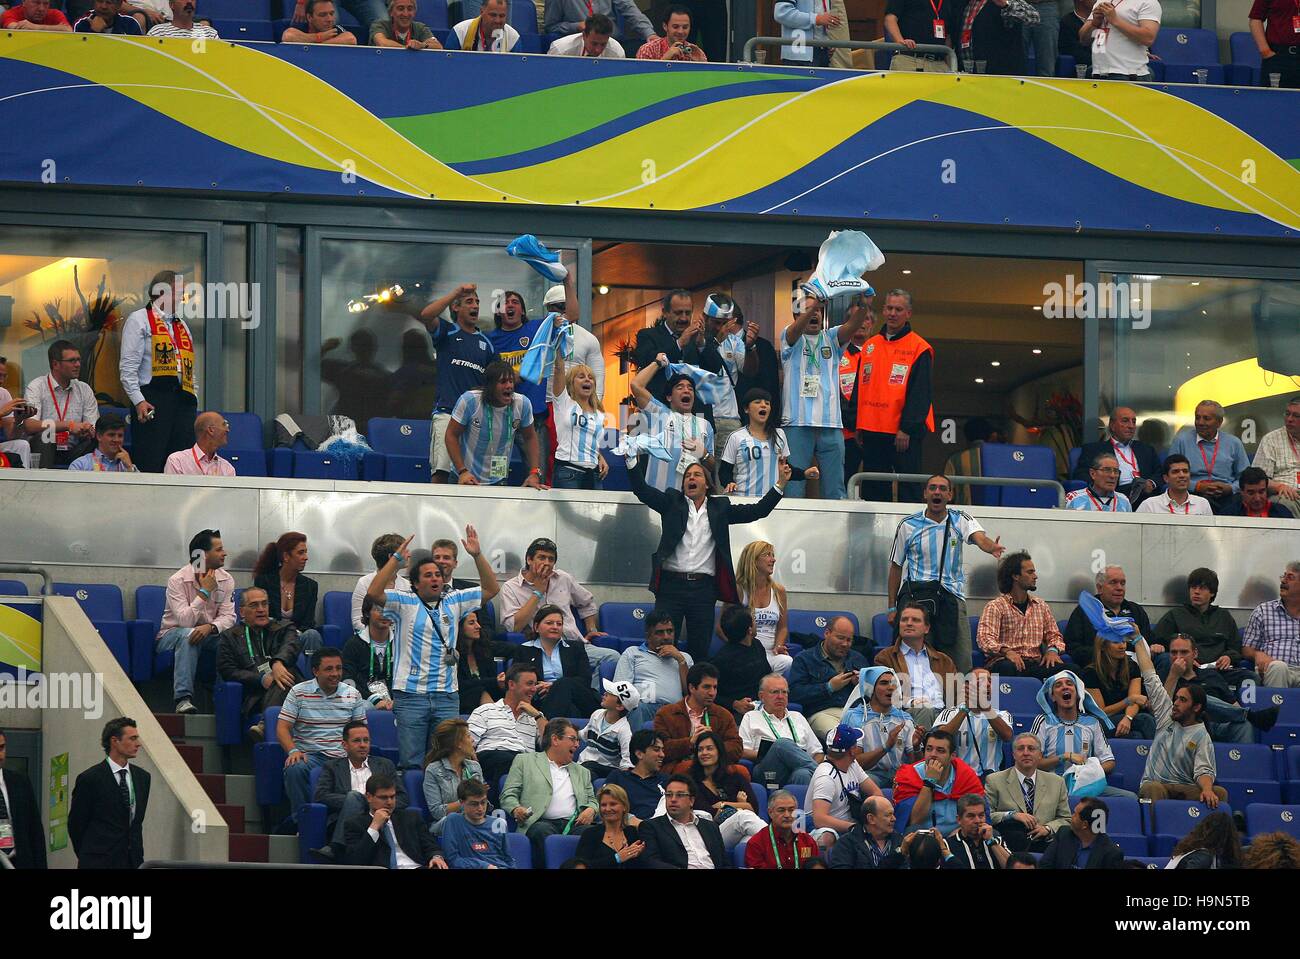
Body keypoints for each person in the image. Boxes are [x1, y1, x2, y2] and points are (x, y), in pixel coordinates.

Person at [628, 441, 788, 663]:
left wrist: (780, 484)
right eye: (687, 476)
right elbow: (642, 491)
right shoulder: (671, 502)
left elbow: (757, 511)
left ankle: (693, 693)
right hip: (670, 587)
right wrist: (630, 461)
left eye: (697, 475)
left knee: (699, 648)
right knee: (663, 645)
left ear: (707, 484)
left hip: (703, 590)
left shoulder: (720, 508)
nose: (691, 478)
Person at [367, 527, 498, 769]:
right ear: (415, 583)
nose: (435, 578)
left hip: (447, 695)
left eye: (437, 574)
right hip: (411, 696)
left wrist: (478, 555)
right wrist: (396, 560)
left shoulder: (455, 599)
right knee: (412, 763)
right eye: (427, 575)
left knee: (447, 762)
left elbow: (492, 589)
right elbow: (374, 592)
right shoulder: (404, 601)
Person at [889, 473, 1006, 672]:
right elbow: (896, 566)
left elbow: (980, 538)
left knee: (959, 663)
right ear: (925, 493)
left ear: (950, 495)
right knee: (913, 661)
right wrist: (892, 608)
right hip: (916, 600)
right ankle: (913, 700)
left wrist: (990, 547)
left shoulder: (960, 519)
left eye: (943, 488)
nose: (937, 492)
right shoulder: (907, 525)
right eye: (933, 488)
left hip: (952, 599)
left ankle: (956, 702)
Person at [781, 292, 872, 501]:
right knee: (794, 488)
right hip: (797, 423)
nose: (815, 315)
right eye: (808, 311)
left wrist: (864, 306)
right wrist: (813, 306)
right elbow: (795, 331)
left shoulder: (831, 337)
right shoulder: (789, 336)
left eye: (819, 311)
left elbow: (852, 325)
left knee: (835, 489)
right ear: (797, 315)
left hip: (831, 424)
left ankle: (835, 532)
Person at [855, 290, 935, 504]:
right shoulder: (870, 346)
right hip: (872, 431)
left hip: (902, 434)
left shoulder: (919, 347)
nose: (892, 313)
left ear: (908, 313)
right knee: (872, 490)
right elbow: (860, 388)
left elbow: (921, 393)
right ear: (883, 310)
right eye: (889, 308)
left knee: (909, 490)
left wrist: (907, 428)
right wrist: (858, 424)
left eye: (898, 309)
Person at [498, 537, 617, 678]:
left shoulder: (563, 579)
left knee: (612, 657)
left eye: (551, 559)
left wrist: (591, 628)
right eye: (541, 558)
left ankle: (588, 695)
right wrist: (538, 592)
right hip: (541, 647)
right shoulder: (511, 587)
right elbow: (514, 626)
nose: (546, 563)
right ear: (529, 559)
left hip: (574, 645)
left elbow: (587, 602)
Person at [1130, 636, 1228, 806]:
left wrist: (1206, 789)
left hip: (1186, 788)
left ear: (1196, 707)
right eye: (1176, 699)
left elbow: (1203, 769)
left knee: (1218, 792)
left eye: (1183, 700)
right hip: (1158, 784)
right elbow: (1149, 675)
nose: (1175, 703)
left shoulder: (1201, 734)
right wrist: (1137, 638)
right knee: (1153, 788)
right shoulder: (1165, 719)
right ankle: (1154, 831)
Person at [414, 282, 496, 482]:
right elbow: (426, 315)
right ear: (456, 307)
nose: (475, 305)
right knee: (441, 473)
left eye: (477, 302)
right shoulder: (447, 331)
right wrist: (456, 292)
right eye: (469, 301)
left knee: (471, 476)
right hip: (447, 413)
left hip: (474, 420)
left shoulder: (487, 344)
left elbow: (495, 381)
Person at [279, 648, 367, 823]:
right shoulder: (298, 692)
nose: (335, 674)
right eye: (329, 669)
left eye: (339, 668)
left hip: (342, 758)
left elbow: (360, 731)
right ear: (315, 671)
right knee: (294, 768)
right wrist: (293, 751)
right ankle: (303, 822)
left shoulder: (353, 694)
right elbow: (282, 727)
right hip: (310, 756)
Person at [157, 528, 236, 715]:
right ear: (201, 555)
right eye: (219, 549)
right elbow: (185, 621)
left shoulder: (226, 579)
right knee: (189, 634)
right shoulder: (177, 580)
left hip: (208, 634)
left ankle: (222, 698)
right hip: (171, 637)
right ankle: (183, 699)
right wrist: (204, 592)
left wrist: (210, 627)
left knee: (231, 640)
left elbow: (229, 617)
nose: (224, 553)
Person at [501, 717, 598, 863]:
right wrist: (516, 809)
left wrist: (591, 809)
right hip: (540, 822)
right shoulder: (524, 761)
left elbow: (592, 800)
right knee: (542, 831)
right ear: (555, 739)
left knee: (592, 832)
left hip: (573, 824)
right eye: (573, 739)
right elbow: (508, 794)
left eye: (578, 740)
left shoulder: (582, 772)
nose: (577, 745)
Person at [1030, 670, 1134, 798]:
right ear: (1052, 697)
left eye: (1069, 683)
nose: (1065, 687)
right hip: (1051, 787)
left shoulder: (1092, 723)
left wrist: (1088, 772)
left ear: (1078, 693)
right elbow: (1032, 762)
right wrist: (1065, 756)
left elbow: (1109, 761)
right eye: (1058, 685)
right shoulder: (1044, 721)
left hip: (1086, 787)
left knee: (1129, 798)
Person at [216, 588, 304, 739]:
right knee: (287, 677)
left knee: (285, 673)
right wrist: (261, 679)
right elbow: (228, 671)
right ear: (242, 611)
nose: (261, 610)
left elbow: (291, 646)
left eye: (264, 604)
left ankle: (265, 723)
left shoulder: (284, 628)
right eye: (254, 605)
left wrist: (277, 663)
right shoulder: (229, 637)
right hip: (255, 696)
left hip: (289, 691)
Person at [1162, 634, 1276, 745]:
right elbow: (1159, 709)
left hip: (1218, 724)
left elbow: (1233, 704)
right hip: (1184, 726)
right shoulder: (1164, 677)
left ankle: (1245, 762)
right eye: (1173, 652)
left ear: (1195, 653)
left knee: (1243, 725)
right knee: (1196, 695)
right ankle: (1249, 715)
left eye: (1184, 652)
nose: (1178, 657)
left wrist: (1238, 715)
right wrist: (1174, 675)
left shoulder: (1210, 675)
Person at [312, 720, 405, 856]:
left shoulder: (385, 765)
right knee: (353, 796)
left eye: (366, 740)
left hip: (380, 817)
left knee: (355, 797)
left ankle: (335, 847)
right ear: (345, 745)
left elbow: (402, 797)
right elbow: (321, 796)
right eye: (356, 741)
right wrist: (358, 800)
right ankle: (338, 846)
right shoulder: (332, 767)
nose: (362, 745)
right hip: (346, 819)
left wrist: (376, 804)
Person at [68, 718, 151, 869]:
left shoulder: (143, 778)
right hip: (98, 862)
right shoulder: (90, 778)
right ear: (115, 741)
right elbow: (76, 824)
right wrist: (91, 854)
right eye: (132, 738)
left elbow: (135, 823)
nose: (138, 743)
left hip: (133, 861)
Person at [447, 361, 543, 488]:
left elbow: (530, 437)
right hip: (465, 477)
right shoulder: (470, 400)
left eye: (511, 381)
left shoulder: (523, 404)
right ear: (490, 385)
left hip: (498, 479)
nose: (509, 386)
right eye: (503, 382)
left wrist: (534, 472)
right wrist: (462, 471)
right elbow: (451, 435)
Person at [631, 289, 723, 423]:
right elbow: (647, 361)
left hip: (698, 417)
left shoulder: (700, 336)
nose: (684, 318)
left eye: (688, 313)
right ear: (665, 312)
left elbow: (716, 368)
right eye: (678, 313)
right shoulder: (648, 335)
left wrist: (702, 344)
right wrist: (679, 343)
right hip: (661, 416)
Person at [628, 355, 716, 494]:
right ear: (669, 397)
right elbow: (636, 385)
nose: (686, 390)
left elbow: (711, 466)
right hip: (658, 495)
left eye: (690, 388)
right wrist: (657, 363)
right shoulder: (658, 413)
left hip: (688, 499)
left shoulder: (705, 425)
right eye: (680, 387)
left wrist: (703, 454)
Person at [977, 551, 1067, 679]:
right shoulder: (996, 606)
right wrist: (1007, 652)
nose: (1035, 576)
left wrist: (1052, 651)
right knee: (1007, 668)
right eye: (1030, 572)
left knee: (1071, 670)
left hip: (1035, 664)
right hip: (1007, 662)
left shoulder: (1041, 606)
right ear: (1015, 576)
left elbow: (1055, 635)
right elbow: (985, 639)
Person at [655, 662, 746, 776]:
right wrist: (691, 742)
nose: (712, 693)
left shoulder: (723, 715)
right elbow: (661, 749)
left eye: (715, 687)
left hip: (715, 766)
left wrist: (712, 749)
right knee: (687, 768)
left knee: (742, 772)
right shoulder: (666, 713)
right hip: (681, 766)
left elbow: (736, 748)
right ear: (692, 688)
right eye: (707, 687)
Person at [721, 389, 815, 500]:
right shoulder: (736, 437)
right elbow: (724, 471)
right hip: (744, 501)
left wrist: (804, 473)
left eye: (767, 403)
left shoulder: (779, 435)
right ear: (746, 409)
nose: (763, 405)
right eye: (757, 402)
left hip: (773, 502)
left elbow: (785, 468)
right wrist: (729, 483)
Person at [788, 614, 871, 739]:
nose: (845, 644)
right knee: (842, 737)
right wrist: (829, 687)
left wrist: (863, 685)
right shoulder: (804, 659)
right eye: (840, 638)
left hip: (857, 712)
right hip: (822, 713)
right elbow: (795, 694)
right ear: (827, 633)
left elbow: (874, 694)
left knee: (874, 735)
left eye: (849, 640)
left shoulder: (858, 658)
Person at [985, 733, 1071, 852]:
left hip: (1046, 843)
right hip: (1011, 843)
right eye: (1020, 749)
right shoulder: (995, 780)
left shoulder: (1057, 782)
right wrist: (1011, 815)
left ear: (1040, 755)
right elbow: (987, 816)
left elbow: (1066, 819)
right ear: (1013, 754)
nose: (1026, 753)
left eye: (1031, 749)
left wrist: (1047, 828)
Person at [874, 603, 956, 728]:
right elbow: (883, 694)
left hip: (943, 714)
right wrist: (911, 702)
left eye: (915, 620)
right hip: (905, 715)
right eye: (904, 620)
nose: (909, 623)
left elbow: (956, 695)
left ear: (926, 628)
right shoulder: (885, 658)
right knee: (926, 710)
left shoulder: (944, 660)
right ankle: (922, 747)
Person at [341, 773, 446, 868]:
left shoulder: (411, 817)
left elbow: (430, 845)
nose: (390, 802)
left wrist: (436, 856)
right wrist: (374, 827)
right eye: (383, 797)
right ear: (369, 797)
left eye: (392, 797)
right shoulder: (354, 824)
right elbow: (356, 861)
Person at [513, 604, 599, 718]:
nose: (555, 627)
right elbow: (517, 679)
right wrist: (539, 686)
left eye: (559, 624)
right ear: (536, 627)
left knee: (563, 684)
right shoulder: (524, 650)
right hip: (541, 699)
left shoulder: (576, 648)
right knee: (571, 711)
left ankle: (546, 726)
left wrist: (554, 686)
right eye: (549, 623)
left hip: (578, 697)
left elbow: (585, 679)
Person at [893, 729, 985, 835]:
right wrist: (929, 782)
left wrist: (959, 834)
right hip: (925, 838)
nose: (933, 754)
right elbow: (913, 822)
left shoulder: (965, 776)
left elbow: (979, 817)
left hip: (959, 836)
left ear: (952, 756)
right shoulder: (910, 776)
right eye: (929, 749)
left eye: (940, 750)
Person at [1065, 565, 1159, 667]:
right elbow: (1073, 647)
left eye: (1122, 583)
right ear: (1099, 588)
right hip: (1098, 666)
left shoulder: (1136, 610)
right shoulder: (1084, 611)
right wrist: (1107, 655)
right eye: (1113, 583)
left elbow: (1149, 640)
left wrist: (1156, 646)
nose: (1119, 588)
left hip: (1136, 666)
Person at [739, 673, 823, 788]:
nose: (780, 696)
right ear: (761, 696)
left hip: (797, 769)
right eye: (775, 692)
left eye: (784, 692)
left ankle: (793, 805)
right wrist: (773, 752)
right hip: (768, 771)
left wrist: (792, 756)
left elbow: (817, 752)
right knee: (782, 744)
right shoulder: (751, 717)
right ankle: (822, 774)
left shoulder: (797, 716)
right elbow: (742, 751)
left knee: (803, 774)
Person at [468, 663, 546, 787]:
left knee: (525, 764)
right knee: (511, 762)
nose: (534, 689)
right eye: (529, 683)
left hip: (523, 763)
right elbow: (467, 743)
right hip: (492, 757)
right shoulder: (485, 710)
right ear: (511, 684)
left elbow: (551, 744)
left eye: (535, 684)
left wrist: (537, 716)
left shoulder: (536, 717)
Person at [24, 339, 97, 468]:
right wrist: (69, 425)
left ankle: (87, 486)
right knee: (44, 437)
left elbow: (94, 426)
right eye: (72, 361)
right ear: (55, 364)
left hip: (75, 448)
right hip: (45, 447)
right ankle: (43, 485)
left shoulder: (84, 389)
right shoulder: (37, 387)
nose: (78, 364)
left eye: (79, 360)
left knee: (99, 440)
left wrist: (88, 429)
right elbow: (30, 425)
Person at [613, 611, 693, 728]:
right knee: (637, 708)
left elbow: (690, 693)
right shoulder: (633, 652)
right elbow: (620, 688)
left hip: (674, 710)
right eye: (659, 633)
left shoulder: (685, 658)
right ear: (648, 635)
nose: (666, 637)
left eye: (670, 631)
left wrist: (680, 661)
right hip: (643, 708)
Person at [1168, 400, 1250, 514]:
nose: (1200, 422)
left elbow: (1245, 478)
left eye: (1206, 418)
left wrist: (1230, 488)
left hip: (1228, 497)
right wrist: (1197, 486)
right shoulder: (1181, 441)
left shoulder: (1233, 443)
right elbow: (1171, 475)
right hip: (1192, 494)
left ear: (1219, 422)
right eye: (1197, 417)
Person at [844, 667, 920, 789]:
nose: (891, 687)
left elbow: (915, 765)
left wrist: (916, 748)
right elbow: (854, 762)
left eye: (894, 683)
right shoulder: (856, 718)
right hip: (869, 775)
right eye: (884, 683)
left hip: (900, 775)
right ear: (871, 689)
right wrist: (886, 747)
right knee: (866, 782)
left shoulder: (905, 718)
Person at [687, 730, 764, 850]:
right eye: (700, 749)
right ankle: (779, 843)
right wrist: (741, 804)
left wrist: (723, 804)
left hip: (735, 833)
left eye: (709, 748)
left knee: (749, 842)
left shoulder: (736, 778)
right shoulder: (692, 783)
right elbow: (710, 814)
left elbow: (754, 808)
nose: (704, 753)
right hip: (710, 836)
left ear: (719, 751)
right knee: (743, 816)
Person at [549, 344, 609, 490]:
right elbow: (558, 370)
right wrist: (558, 344)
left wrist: (600, 457)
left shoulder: (599, 412)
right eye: (581, 377)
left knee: (595, 513)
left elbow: (590, 441)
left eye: (590, 377)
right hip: (568, 472)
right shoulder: (563, 402)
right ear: (571, 383)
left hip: (594, 474)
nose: (587, 380)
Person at [933, 668, 1014, 778]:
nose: (988, 684)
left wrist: (986, 708)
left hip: (990, 781)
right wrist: (966, 708)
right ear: (967, 686)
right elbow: (940, 740)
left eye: (990, 681)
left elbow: (1007, 736)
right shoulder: (950, 713)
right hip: (957, 779)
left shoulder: (1002, 715)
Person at [1073, 406, 1161, 505]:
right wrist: (1104, 482)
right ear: (1112, 425)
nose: (1131, 426)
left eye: (1134, 422)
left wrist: (1151, 483)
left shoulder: (1146, 449)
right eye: (1125, 421)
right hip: (1112, 495)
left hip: (1144, 496)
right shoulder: (1094, 450)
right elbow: (1081, 474)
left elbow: (1160, 472)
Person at [638, 774, 730, 869]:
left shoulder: (710, 827)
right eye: (669, 795)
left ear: (691, 801)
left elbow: (725, 863)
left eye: (680, 795)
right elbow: (651, 862)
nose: (673, 799)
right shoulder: (651, 827)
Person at [252, 532, 323, 652]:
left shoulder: (310, 586)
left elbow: (308, 623)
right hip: (271, 636)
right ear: (286, 556)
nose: (306, 557)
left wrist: (291, 635)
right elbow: (261, 617)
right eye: (301, 552)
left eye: (306, 552)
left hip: (297, 636)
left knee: (312, 635)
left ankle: (311, 671)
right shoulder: (264, 581)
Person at [807, 724, 882, 836]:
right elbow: (819, 819)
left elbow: (876, 793)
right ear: (852, 751)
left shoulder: (852, 764)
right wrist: (854, 827)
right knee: (827, 837)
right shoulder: (826, 777)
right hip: (824, 828)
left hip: (849, 824)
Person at [734, 540, 794, 676]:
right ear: (753, 560)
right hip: (746, 652)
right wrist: (740, 646)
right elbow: (721, 628)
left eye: (773, 555)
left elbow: (782, 628)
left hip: (770, 653)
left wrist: (778, 646)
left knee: (787, 661)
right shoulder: (739, 590)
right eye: (767, 555)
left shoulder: (778, 590)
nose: (773, 559)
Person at [1081, 634, 1156, 739]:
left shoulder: (1132, 666)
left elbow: (1135, 701)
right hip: (1100, 721)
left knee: (1136, 736)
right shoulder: (1090, 673)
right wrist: (1128, 700)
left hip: (1127, 716)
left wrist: (1128, 718)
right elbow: (1101, 712)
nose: (1122, 646)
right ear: (1103, 646)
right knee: (1145, 720)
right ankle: (1162, 754)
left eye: (1124, 642)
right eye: (1116, 642)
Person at [422, 718, 486, 838]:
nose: (473, 740)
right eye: (468, 736)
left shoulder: (475, 767)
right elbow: (437, 812)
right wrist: (466, 802)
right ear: (458, 744)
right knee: (454, 819)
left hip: (474, 820)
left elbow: (481, 804)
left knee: (499, 823)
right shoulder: (433, 770)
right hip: (446, 824)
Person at [1243, 562, 1300, 688]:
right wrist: (1257, 654)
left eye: (1290, 577)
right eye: (1283, 576)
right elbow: (1247, 649)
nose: (1283, 581)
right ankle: (1275, 708)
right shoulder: (1263, 611)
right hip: (1275, 669)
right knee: (1279, 667)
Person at [712, 604, 772, 720]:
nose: (756, 623)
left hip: (762, 705)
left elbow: (767, 675)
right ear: (749, 630)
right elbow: (711, 693)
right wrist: (734, 704)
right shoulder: (722, 659)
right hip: (737, 714)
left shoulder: (757, 645)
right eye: (754, 620)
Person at [439, 779, 515, 868]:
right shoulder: (453, 821)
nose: (480, 808)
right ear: (462, 802)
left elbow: (508, 859)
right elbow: (452, 860)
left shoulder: (498, 823)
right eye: (474, 804)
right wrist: (484, 866)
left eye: (483, 802)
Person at [1037, 796, 1126, 868]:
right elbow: (1044, 865)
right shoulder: (1063, 834)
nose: (1071, 817)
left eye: (1075, 814)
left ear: (1084, 824)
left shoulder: (1112, 854)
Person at [1079, 0, 1159, 80]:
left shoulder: (1148, 2)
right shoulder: (1101, 1)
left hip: (1128, 74)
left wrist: (1115, 20)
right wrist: (1094, 23)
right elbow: (1083, 40)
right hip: (1097, 73)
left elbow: (1148, 38)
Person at [0, 728, 46, 869]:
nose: (0, 754)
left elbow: (35, 832)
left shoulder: (20, 782)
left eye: (2, 747)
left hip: (20, 862)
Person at [341, 595, 395, 711]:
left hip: (396, 699)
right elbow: (347, 680)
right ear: (367, 613)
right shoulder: (354, 644)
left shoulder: (401, 643)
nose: (384, 614)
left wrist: (397, 699)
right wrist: (373, 699)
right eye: (378, 609)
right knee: (366, 707)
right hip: (365, 699)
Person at [456, 609, 514, 713]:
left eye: (477, 622)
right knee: (478, 691)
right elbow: (461, 685)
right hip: (462, 701)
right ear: (459, 627)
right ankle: (498, 717)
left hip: (488, 698)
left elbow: (516, 649)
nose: (478, 626)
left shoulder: (484, 648)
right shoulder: (452, 654)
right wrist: (494, 681)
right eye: (471, 623)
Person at [575, 783, 646, 868]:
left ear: (624, 806)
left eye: (613, 804)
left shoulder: (632, 833)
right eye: (603, 805)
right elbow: (581, 866)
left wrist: (639, 856)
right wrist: (616, 858)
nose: (607, 809)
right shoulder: (590, 834)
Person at [744, 789, 820, 869]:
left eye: (791, 810)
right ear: (770, 813)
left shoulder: (808, 841)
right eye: (781, 810)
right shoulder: (757, 843)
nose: (787, 815)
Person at [606, 730, 668, 824]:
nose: (662, 755)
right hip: (626, 830)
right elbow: (606, 807)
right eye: (656, 749)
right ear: (639, 754)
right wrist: (630, 819)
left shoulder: (667, 781)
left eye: (662, 750)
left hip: (660, 831)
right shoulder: (618, 777)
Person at [578, 679, 638, 777]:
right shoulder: (596, 714)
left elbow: (626, 762)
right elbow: (585, 734)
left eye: (610, 693)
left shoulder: (623, 731)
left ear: (619, 706)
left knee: (587, 769)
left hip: (604, 770)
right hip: (583, 763)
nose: (605, 693)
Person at [1251, 396, 1300, 513]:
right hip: (1286, 495)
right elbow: (1257, 479)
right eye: (1287, 414)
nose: (1289, 419)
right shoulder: (1271, 439)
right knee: (1284, 505)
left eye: (1296, 416)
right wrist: (1279, 487)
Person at [827, 794, 904, 869]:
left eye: (893, 814)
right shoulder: (847, 844)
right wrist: (898, 854)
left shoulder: (899, 841)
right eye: (888, 815)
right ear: (871, 819)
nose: (894, 819)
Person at [350, 533, 407, 633]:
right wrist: (384, 635)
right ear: (392, 557)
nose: (409, 554)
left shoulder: (407, 585)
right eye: (405, 551)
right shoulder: (364, 582)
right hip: (371, 640)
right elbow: (357, 622)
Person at [884, 0, 954, 71]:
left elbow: (948, 34)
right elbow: (890, 19)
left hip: (940, 63)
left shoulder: (947, 2)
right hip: (909, 59)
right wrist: (900, 41)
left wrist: (950, 63)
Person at [544, 0, 656, 44]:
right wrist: (576, 26)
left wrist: (649, 34)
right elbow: (551, 27)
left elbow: (630, 10)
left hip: (612, 41)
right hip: (580, 45)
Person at [946, 793, 1010, 868]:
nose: (977, 820)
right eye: (971, 816)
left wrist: (991, 841)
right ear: (959, 819)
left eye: (981, 815)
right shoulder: (948, 846)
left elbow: (1013, 866)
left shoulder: (997, 840)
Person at [162, 411, 235, 477]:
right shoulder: (177, 462)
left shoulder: (227, 469)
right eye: (224, 425)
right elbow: (171, 491)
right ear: (211, 430)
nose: (227, 430)